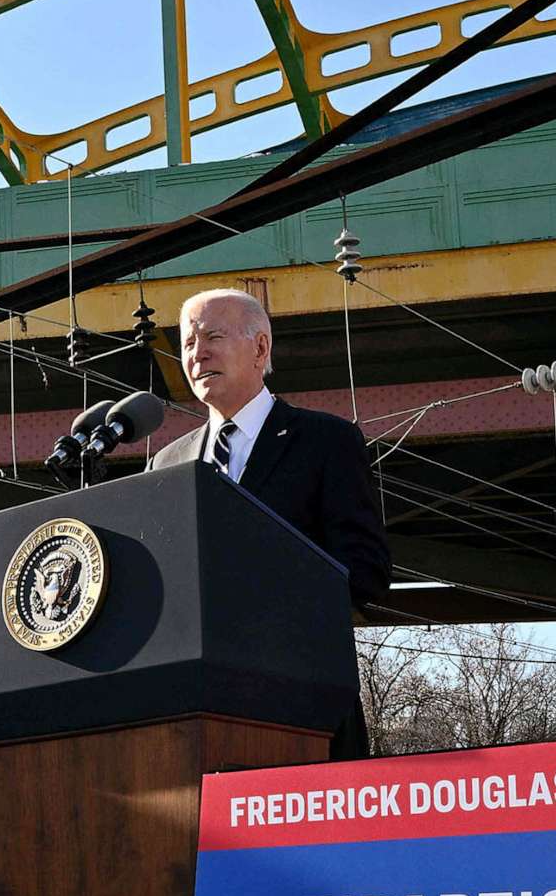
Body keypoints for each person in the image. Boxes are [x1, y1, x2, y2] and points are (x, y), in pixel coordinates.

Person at [150, 288, 390, 758]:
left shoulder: (326, 441)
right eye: (187, 343)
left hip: (301, 707)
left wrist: (255, 590)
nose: (197, 355)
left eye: (213, 336)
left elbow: (365, 571)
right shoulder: (166, 463)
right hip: (191, 718)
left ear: (261, 348)